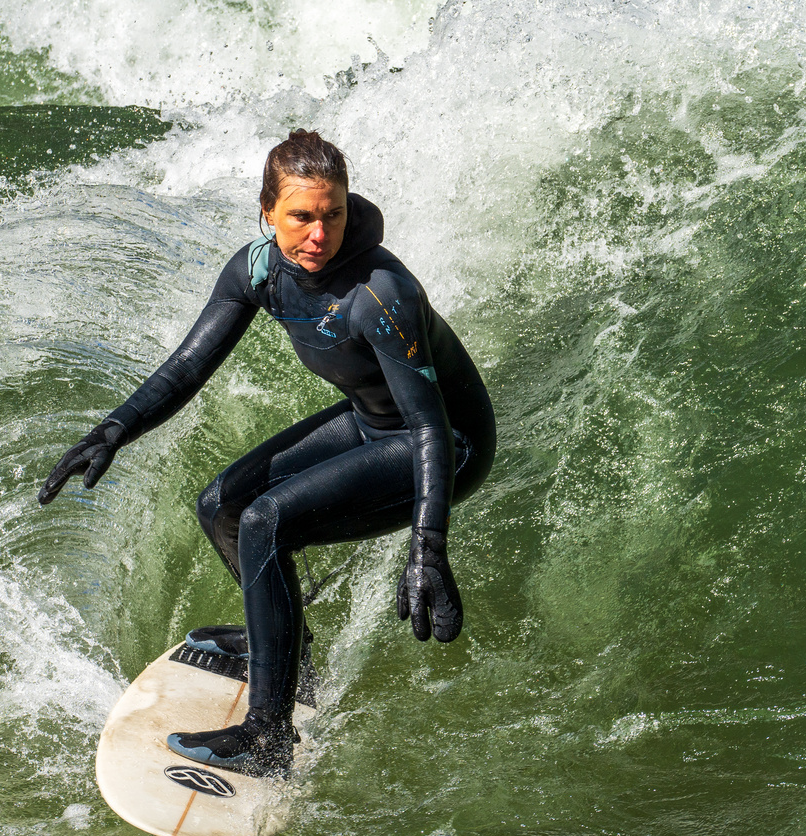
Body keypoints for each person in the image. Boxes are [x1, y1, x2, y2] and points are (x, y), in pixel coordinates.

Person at [38, 130, 496, 776]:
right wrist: (115, 427)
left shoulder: (380, 295)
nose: (319, 234)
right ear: (267, 213)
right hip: (375, 424)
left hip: (445, 444)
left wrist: (428, 546)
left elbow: (428, 428)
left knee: (267, 521)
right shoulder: (257, 270)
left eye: (332, 215)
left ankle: (267, 737)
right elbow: (187, 368)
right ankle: (286, 649)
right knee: (223, 505)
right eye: (301, 217)